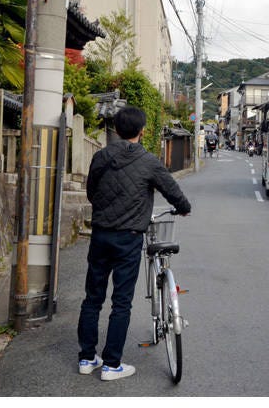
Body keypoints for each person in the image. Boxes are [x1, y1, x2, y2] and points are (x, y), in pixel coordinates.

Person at [77, 105, 191, 381]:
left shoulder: (101, 156)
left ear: (116, 129)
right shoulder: (149, 161)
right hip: (128, 237)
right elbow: (173, 191)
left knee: (93, 297)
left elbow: (91, 190)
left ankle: (87, 358)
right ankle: (111, 364)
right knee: (121, 302)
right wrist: (184, 207)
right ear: (142, 131)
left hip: (101, 233)